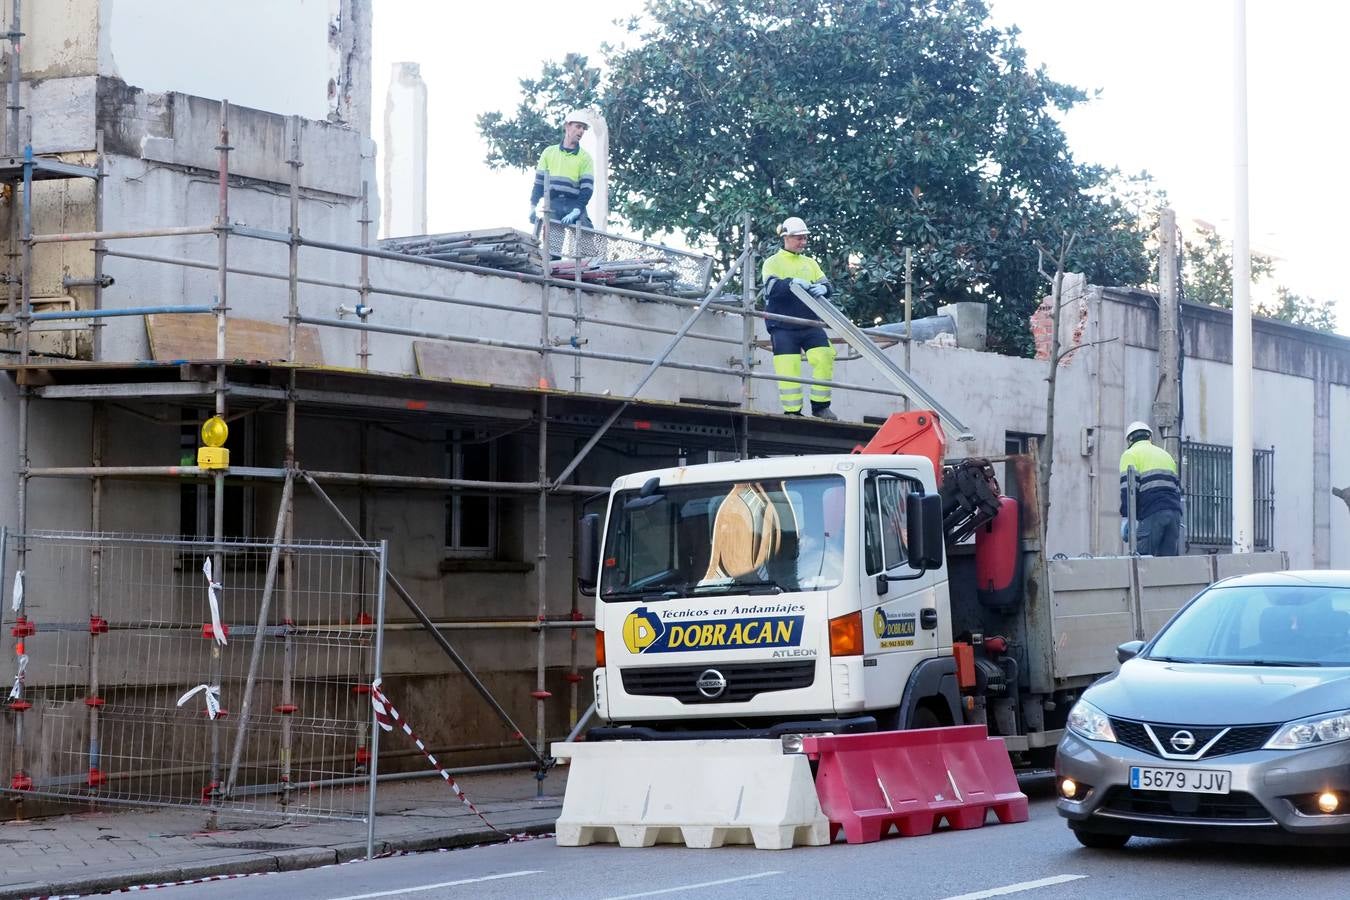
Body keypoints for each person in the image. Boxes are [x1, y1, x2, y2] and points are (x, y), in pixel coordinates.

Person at [761, 217, 837, 420]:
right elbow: (770, 288)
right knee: (788, 367)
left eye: (805, 238)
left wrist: (824, 289)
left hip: (810, 323)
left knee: (825, 355)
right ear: (786, 237)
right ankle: (793, 412)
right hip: (782, 325)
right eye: (799, 239)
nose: (803, 242)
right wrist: (791, 282)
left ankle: (821, 407)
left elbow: (827, 286)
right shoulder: (772, 262)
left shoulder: (810, 263)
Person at [528, 111, 595, 255]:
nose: (581, 131)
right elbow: (539, 183)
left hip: (574, 203)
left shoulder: (585, 158)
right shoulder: (549, 153)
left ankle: (589, 270)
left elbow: (587, 189)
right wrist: (532, 206)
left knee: (587, 240)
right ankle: (552, 270)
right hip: (553, 204)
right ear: (567, 126)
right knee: (551, 251)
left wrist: (577, 210)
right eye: (578, 126)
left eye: (583, 128)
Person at [1119, 420, 1183, 556]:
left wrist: (1127, 518)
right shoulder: (1166, 456)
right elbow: (1177, 489)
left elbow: (1128, 490)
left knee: (1144, 562)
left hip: (1152, 513)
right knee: (1168, 563)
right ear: (1150, 437)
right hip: (1174, 513)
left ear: (1130, 440)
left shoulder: (1130, 455)